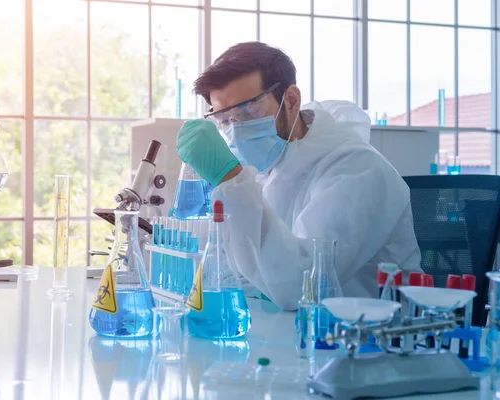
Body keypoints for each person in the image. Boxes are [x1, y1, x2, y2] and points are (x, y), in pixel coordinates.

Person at [176, 42, 421, 310]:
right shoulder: (266, 169)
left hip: (367, 340)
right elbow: (241, 272)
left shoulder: (357, 168)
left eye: (249, 110)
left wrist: (231, 180)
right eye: (224, 119)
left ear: (290, 100)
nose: (235, 130)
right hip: (290, 331)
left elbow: (302, 287)